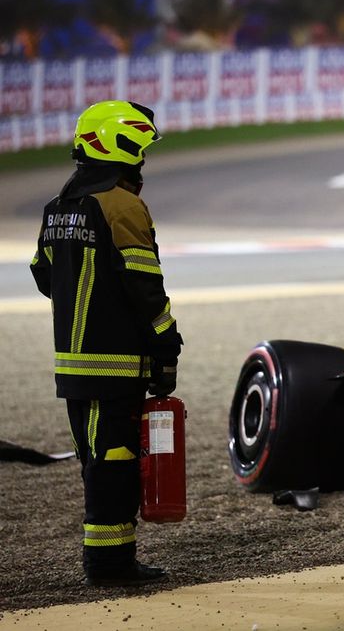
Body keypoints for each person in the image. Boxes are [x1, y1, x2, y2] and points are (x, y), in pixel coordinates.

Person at [30, 101, 183, 587]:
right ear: (121, 146)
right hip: (115, 365)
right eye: (140, 148)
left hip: (72, 366)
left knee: (97, 465)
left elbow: (44, 276)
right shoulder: (121, 206)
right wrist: (167, 347)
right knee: (114, 466)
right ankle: (110, 567)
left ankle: (108, 562)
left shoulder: (58, 207)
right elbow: (146, 288)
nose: (143, 159)